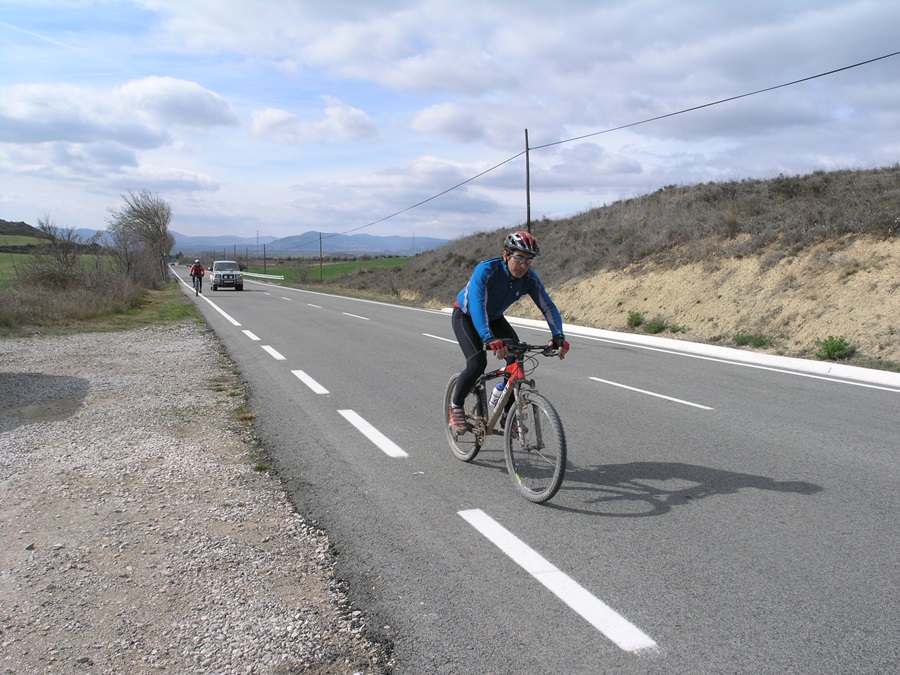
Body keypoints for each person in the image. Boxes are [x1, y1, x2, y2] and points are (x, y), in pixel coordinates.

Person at [449, 231, 569, 433]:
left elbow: (547, 305)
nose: (523, 265)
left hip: (494, 318)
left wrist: (558, 336)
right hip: (466, 316)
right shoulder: (486, 270)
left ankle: (506, 414)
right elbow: (478, 305)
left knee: (516, 358)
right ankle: (456, 406)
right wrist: (488, 337)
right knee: (477, 363)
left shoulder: (529, 278)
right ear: (506, 255)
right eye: (519, 258)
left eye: (529, 261)